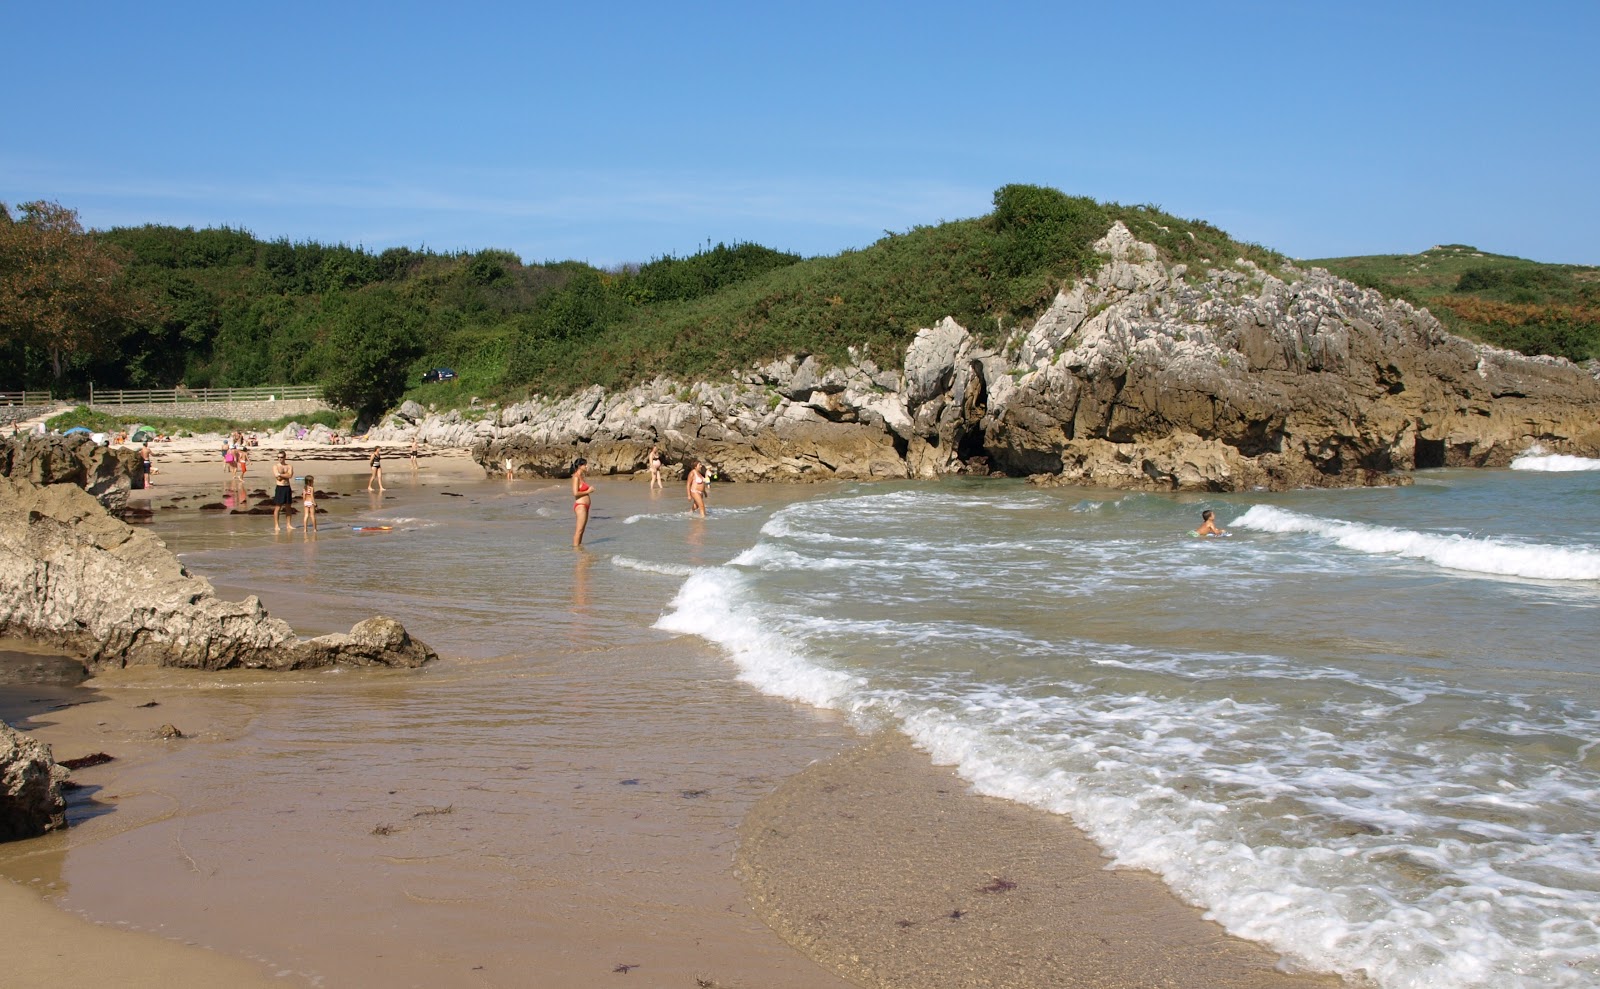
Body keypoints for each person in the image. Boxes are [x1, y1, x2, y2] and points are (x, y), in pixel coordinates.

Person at [571, 457, 592, 546]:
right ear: (580, 466)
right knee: (579, 530)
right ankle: (576, 549)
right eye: (585, 465)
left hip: (585, 506)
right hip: (581, 506)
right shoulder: (576, 477)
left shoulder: (581, 476)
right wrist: (588, 491)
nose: (587, 466)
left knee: (582, 530)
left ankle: (579, 547)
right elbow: (575, 493)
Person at [271, 452, 295, 532]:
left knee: (288, 507)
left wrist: (281, 474)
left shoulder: (289, 466)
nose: (279, 459)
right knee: (278, 507)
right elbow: (277, 478)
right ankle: (276, 525)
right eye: (278, 457)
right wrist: (284, 475)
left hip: (287, 487)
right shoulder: (275, 466)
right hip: (280, 487)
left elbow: (290, 476)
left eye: (281, 457)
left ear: (285, 457)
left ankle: (288, 524)